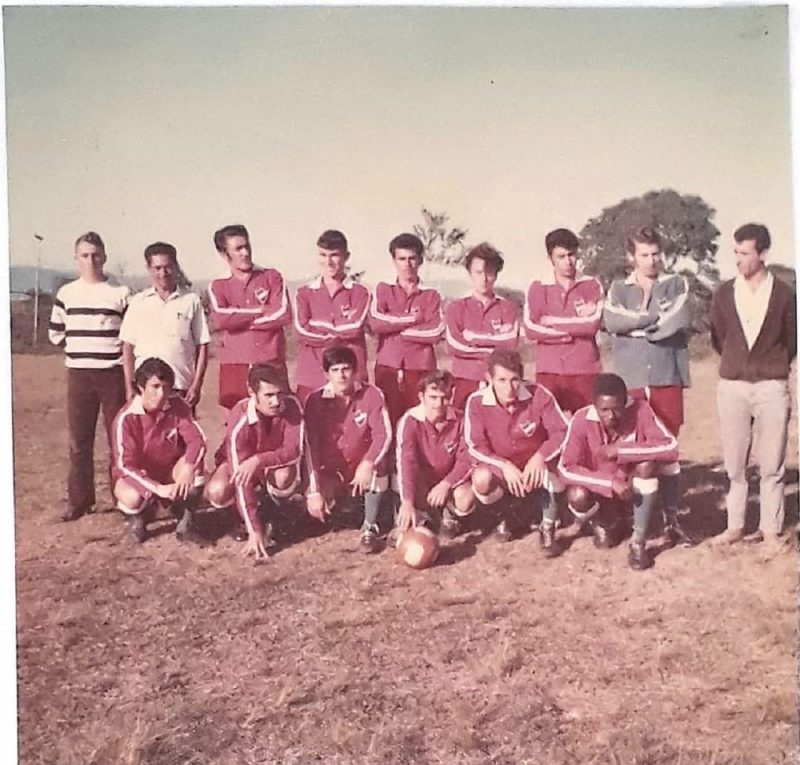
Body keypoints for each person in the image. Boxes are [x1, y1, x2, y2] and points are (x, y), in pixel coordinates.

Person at [709, 224, 796, 552]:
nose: (738, 259)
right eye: (736, 252)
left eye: (745, 253)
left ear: (763, 254)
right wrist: (738, 363)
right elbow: (718, 337)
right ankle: (735, 526)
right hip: (732, 386)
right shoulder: (723, 293)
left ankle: (771, 530)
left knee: (772, 464)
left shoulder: (785, 294)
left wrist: (769, 365)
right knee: (735, 464)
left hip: (771, 386)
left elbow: (791, 340)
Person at [557, 373, 690, 570]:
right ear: (594, 405)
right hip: (601, 493)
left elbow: (670, 446)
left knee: (647, 465)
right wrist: (609, 483)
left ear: (625, 401)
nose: (611, 416)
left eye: (616, 408)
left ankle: (638, 541)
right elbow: (565, 468)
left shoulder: (640, 410)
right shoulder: (581, 419)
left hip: (630, 489)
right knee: (577, 495)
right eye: (604, 410)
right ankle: (601, 524)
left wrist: (621, 451)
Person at [48, 231, 130, 522]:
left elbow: (130, 335)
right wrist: (81, 350)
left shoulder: (120, 293)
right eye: (84, 255)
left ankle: (123, 499)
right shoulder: (66, 294)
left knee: (118, 439)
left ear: (104, 257)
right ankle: (79, 501)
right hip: (79, 375)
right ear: (76, 259)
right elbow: (55, 333)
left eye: (96, 255)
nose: (91, 260)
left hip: (113, 374)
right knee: (79, 441)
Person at [464, 349, 568, 557]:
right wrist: (503, 465)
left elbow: (562, 431)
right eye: (501, 380)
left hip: (533, 465)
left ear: (521, 378)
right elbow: (474, 445)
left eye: (514, 380)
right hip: (502, 467)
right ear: (489, 378)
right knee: (482, 479)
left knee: (557, 475)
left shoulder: (539, 394)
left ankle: (548, 527)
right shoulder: (476, 401)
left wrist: (540, 457)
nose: (509, 388)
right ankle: (504, 516)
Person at [205, 364, 304, 560]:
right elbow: (240, 477)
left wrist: (258, 460)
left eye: (279, 393)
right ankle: (239, 518)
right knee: (218, 491)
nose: (276, 401)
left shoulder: (292, 406)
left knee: (284, 476)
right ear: (252, 392)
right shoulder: (239, 417)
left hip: (268, 463)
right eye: (268, 395)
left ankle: (274, 512)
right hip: (240, 463)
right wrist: (255, 530)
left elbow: (293, 450)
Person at [602, 225, 691, 436]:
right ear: (631, 257)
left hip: (667, 376)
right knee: (630, 438)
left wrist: (632, 329)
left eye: (655, 254)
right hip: (629, 378)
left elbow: (677, 320)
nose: (651, 260)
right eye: (644, 255)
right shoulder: (618, 288)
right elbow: (613, 321)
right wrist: (652, 318)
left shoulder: (676, 284)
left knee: (668, 438)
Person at [303, 345, 392, 553]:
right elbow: (310, 447)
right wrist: (313, 491)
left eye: (346, 369)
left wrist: (368, 462)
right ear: (326, 374)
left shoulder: (372, 394)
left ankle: (370, 526)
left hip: (359, 467)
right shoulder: (314, 400)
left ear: (355, 370)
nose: (341, 376)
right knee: (318, 504)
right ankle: (341, 508)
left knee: (379, 466)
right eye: (335, 370)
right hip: (330, 470)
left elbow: (383, 434)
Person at [111, 357, 207, 545]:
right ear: (141, 387)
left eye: (165, 387)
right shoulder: (126, 418)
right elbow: (124, 466)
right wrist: (157, 488)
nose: (161, 393)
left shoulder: (178, 405)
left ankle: (185, 521)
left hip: (168, 471)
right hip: (140, 475)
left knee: (195, 469)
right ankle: (138, 518)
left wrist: (188, 467)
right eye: (155, 387)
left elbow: (197, 440)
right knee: (132, 497)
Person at [207, 224, 291, 410]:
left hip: (270, 360)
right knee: (236, 416)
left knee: (276, 415)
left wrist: (238, 320)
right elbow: (220, 319)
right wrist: (260, 310)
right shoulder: (218, 285)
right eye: (238, 249)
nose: (245, 253)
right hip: (235, 363)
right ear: (224, 254)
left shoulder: (271, 276)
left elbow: (283, 314)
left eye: (247, 246)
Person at [523, 228, 604, 413]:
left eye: (571, 255)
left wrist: (551, 320)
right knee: (548, 425)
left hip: (584, 369)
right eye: (561, 256)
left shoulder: (591, 284)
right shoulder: (538, 287)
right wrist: (572, 330)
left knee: (587, 423)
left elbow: (591, 325)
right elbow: (531, 328)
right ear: (550, 258)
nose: (568, 261)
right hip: (549, 370)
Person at [120, 241, 210, 406]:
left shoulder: (191, 301)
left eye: (167, 267)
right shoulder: (138, 302)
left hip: (180, 387)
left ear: (176, 266)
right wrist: (129, 385)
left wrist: (197, 385)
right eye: (157, 268)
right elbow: (127, 347)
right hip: (145, 388)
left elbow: (202, 345)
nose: (163, 273)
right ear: (149, 269)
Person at [369, 233, 444, 426]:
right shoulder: (383, 289)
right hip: (388, 367)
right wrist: (414, 319)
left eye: (412, 258)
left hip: (421, 368)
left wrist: (396, 330)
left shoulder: (431, 294)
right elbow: (376, 322)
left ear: (420, 260)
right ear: (394, 260)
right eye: (401, 259)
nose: (407, 264)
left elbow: (436, 331)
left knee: (421, 421)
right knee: (388, 421)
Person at [293, 230, 371, 403]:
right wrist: (337, 332)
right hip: (312, 376)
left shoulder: (360, 292)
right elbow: (301, 331)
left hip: (349, 377)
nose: (328, 262)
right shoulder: (304, 293)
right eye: (323, 255)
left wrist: (318, 326)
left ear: (346, 256)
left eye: (334, 255)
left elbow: (354, 328)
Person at [395, 371, 475, 537]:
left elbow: (466, 459)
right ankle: (418, 517)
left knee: (465, 497)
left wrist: (446, 484)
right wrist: (407, 502)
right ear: (421, 396)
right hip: (422, 482)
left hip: (448, 483)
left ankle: (450, 517)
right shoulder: (410, 420)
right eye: (433, 397)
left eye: (444, 398)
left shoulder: (460, 419)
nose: (439, 404)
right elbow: (406, 462)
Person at [445, 243, 520, 411]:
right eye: (478, 272)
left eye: (489, 272)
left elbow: (510, 342)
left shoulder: (507, 307)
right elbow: (454, 345)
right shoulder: (456, 307)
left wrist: (473, 338)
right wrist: (492, 347)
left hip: (498, 382)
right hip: (465, 379)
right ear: (470, 273)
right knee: (462, 422)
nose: (484, 278)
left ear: (496, 274)